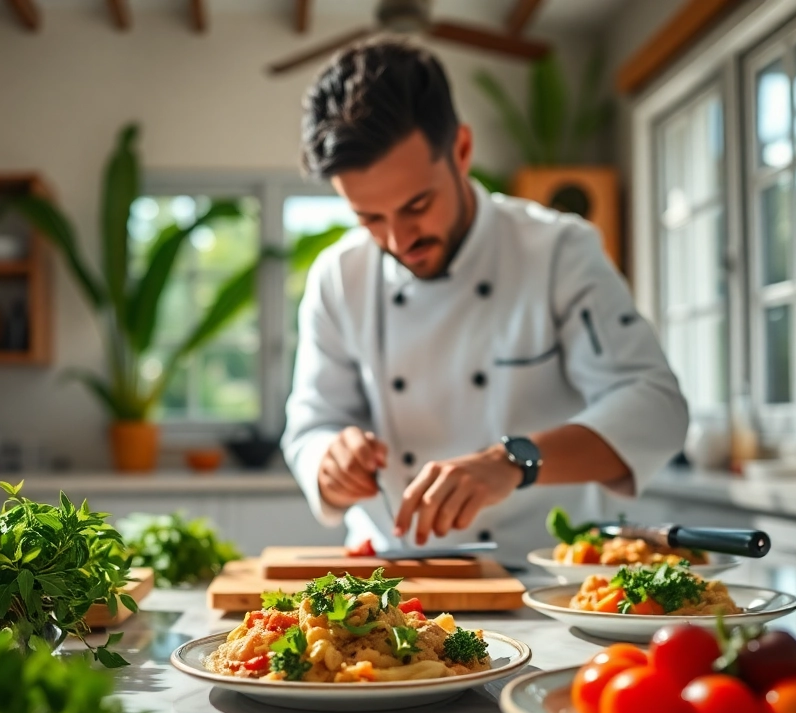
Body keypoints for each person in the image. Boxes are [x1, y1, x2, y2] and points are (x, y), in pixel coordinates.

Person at [280, 38, 689, 563]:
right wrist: (329, 462)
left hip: (541, 574)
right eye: (370, 218)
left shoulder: (557, 251)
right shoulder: (339, 276)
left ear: (462, 150)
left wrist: (514, 460)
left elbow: (656, 407)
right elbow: (312, 424)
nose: (399, 240)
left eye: (417, 205)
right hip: (390, 578)